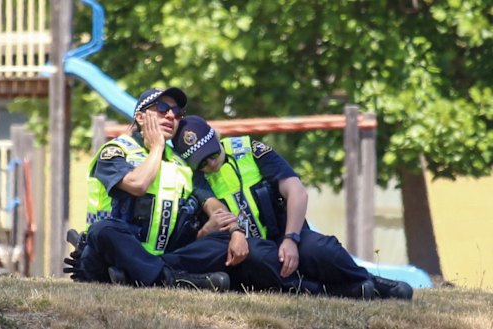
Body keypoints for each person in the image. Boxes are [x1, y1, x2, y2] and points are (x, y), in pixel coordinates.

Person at [171, 115, 414, 300]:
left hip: (285, 234)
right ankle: (335, 291)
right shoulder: (196, 178)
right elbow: (215, 210)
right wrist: (234, 232)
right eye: (201, 162)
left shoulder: (251, 150)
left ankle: (369, 281)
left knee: (321, 248)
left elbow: (296, 191)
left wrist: (291, 238)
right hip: (250, 248)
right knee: (259, 258)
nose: (211, 164)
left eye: (211, 154)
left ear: (216, 136)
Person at [63, 88, 250, 291]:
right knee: (104, 230)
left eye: (177, 112)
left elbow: (213, 205)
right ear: (140, 117)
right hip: (110, 255)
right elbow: (138, 184)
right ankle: (174, 280)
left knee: (220, 241)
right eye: (162, 108)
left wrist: (235, 230)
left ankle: (138, 276)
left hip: (163, 256)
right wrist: (157, 148)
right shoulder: (115, 151)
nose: (171, 115)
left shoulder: (182, 163)